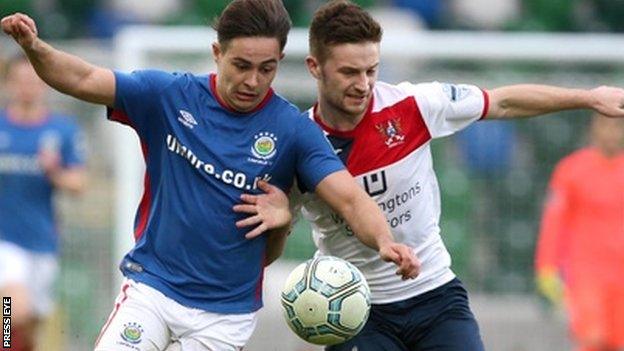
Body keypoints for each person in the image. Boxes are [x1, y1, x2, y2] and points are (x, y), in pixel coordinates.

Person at [1, 1, 420, 350]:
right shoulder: (170, 96)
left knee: (29, 323)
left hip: (223, 314)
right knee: (8, 307)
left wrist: (386, 241)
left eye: (268, 68)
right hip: (150, 287)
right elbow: (84, 77)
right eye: (241, 65)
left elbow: (348, 197)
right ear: (217, 53)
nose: (253, 81)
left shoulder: (292, 131)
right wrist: (36, 47)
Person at [236, 1, 624, 350]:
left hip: (435, 295)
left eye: (371, 70)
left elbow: (502, 101)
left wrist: (588, 97)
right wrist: (279, 226)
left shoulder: (413, 105)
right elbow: (269, 252)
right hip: (355, 310)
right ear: (314, 67)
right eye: (349, 72)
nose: (364, 84)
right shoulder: (297, 146)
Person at [0, 55, 86, 351]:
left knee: (33, 321)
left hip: (42, 239)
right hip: (4, 240)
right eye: (21, 81)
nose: (27, 88)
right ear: (8, 84)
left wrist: (55, 171)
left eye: (34, 81)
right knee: (12, 309)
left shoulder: (61, 131)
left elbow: (78, 184)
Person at [535, 114, 624, 351]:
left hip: (621, 272)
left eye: (617, 126)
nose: (611, 132)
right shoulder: (571, 169)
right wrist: (546, 267)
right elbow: (553, 221)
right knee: (592, 339)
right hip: (586, 273)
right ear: (593, 128)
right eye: (605, 125)